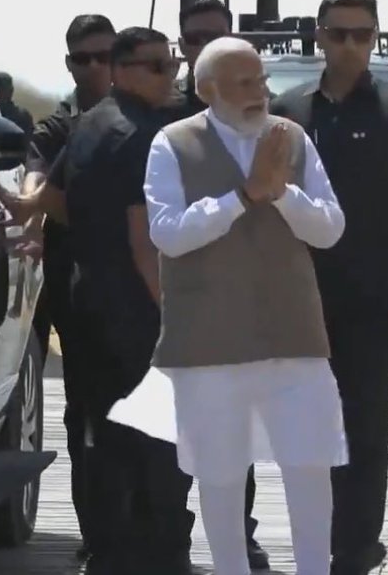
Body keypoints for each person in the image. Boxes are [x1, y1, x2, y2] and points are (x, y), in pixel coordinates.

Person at [0, 27, 195, 574]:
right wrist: (177, 316)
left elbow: (54, 202)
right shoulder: (146, 136)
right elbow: (143, 238)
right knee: (159, 446)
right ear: (123, 70)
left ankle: (107, 549)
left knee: (101, 436)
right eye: (156, 66)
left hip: (87, 305)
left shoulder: (90, 125)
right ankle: (156, 553)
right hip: (140, 313)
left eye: (171, 64)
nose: (170, 75)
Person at [145, 35, 347, 575]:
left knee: (310, 470)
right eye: (243, 84)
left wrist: (282, 193)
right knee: (220, 477)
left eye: (260, 80)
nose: (259, 92)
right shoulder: (172, 143)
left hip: (294, 339)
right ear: (208, 90)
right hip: (209, 347)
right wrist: (243, 196)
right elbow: (168, 234)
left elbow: (329, 228)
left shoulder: (292, 139)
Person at [271, 0, 388, 575]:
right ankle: (312, 550)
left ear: (375, 38)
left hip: (375, 303)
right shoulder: (290, 112)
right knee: (303, 437)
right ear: (319, 37)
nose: (350, 46)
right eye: (338, 33)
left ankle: (355, 553)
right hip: (299, 306)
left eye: (362, 34)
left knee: (365, 434)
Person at [171, 0, 273, 572]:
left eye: (217, 36)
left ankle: (240, 532)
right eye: (194, 39)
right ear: (181, 48)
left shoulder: (261, 114)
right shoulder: (160, 113)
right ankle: (173, 533)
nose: (203, 47)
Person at [22, 13, 117, 561]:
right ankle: (97, 537)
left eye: (105, 56)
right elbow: (36, 174)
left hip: (151, 293)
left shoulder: (150, 118)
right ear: (69, 64)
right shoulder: (60, 128)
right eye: (83, 58)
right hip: (79, 299)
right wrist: (32, 213)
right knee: (86, 415)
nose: (95, 67)